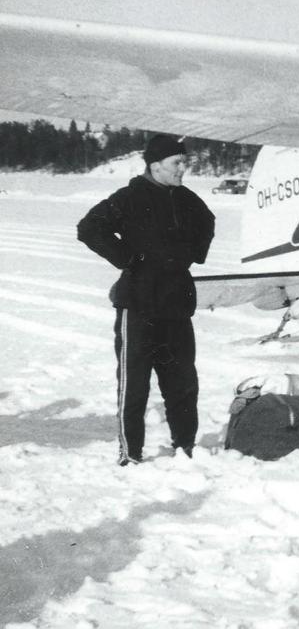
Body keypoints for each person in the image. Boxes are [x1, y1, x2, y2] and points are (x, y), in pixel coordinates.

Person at [77, 134, 215, 466]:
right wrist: (128, 258)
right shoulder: (129, 197)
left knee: (182, 384)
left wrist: (193, 253)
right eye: (176, 163)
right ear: (155, 166)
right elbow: (89, 227)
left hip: (177, 306)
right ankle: (131, 453)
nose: (183, 169)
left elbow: (208, 222)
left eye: (184, 162)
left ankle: (185, 447)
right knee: (134, 386)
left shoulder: (188, 200)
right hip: (137, 305)